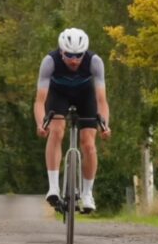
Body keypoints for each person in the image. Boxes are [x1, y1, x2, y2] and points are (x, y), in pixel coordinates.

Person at [33, 28, 111, 213]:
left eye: (79, 55)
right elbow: (40, 101)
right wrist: (40, 124)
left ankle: (87, 193)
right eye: (69, 55)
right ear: (61, 52)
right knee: (57, 130)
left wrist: (105, 125)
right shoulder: (50, 62)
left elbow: (101, 100)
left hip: (85, 96)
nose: (74, 60)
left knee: (89, 144)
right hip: (59, 95)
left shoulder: (95, 62)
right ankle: (53, 188)